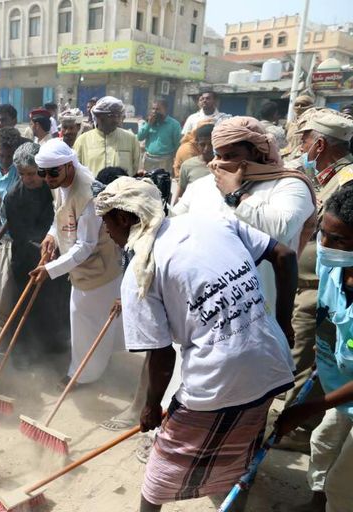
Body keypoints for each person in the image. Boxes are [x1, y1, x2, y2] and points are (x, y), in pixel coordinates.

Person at [94, 177, 297, 512]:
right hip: (272, 364)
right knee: (241, 453)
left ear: (124, 218)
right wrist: (283, 322)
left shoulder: (141, 271)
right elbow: (285, 255)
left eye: (105, 220)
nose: (105, 231)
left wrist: (150, 406)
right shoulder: (211, 219)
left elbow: (161, 356)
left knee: (162, 469)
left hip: (215, 379)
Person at [173, 116, 315, 311]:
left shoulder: (290, 185)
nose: (221, 164)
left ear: (256, 152)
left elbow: (281, 230)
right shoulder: (202, 185)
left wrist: (236, 194)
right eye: (219, 155)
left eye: (231, 156)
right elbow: (174, 225)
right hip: (203, 304)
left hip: (260, 306)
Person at [278, 111, 353, 454]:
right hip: (310, 284)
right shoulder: (325, 177)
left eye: (305, 140)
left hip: (324, 287)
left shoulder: (347, 182)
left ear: (320, 144)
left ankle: (294, 426)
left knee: (303, 358)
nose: (301, 147)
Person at [275, 184, 353, 512]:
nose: (324, 245)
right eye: (323, 233)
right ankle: (316, 503)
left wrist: (307, 407)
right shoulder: (332, 266)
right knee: (322, 444)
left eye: (338, 240)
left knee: (343, 484)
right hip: (342, 390)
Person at [29, 139, 123, 385]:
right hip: (80, 269)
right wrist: (52, 235)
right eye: (43, 173)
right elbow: (60, 214)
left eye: (53, 172)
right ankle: (87, 368)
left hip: (99, 270)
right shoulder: (59, 182)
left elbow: (86, 245)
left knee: (90, 325)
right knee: (84, 323)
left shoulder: (89, 193)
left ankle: (83, 377)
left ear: (69, 166)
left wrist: (50, 269)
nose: (47, 178)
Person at [0, 142, 70, 364]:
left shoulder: (56, 191)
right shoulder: (14, 196)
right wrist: (37, 248)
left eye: (33, 174)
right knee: (24, 305)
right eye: (23, 174)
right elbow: (19, 233)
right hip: (25, 260)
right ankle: (22, 352)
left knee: (53, 305)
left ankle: (54, 350)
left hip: (56, 259)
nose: (29, 179)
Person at [0, 127, 24, 328]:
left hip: (12, 231)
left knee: (6, 280)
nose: (5, 160)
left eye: (10, 156)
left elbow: (17, 210)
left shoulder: (20, 168)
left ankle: (7, 324)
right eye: (2, 155)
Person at [73, 96, 141, 177]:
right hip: (92, 188)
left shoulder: (131, 139)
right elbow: (77, 171)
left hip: (122, 189)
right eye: (111, 116)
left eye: (118, 116)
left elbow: (135, 168)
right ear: (99, 117)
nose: (116, 120)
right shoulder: (82, 141)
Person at [137, 99, 181, 173]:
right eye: (153, 109)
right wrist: (149, 124)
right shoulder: (149, 122)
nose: (154, 112)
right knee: (147, 182)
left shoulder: (174, 124)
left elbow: (177, 144)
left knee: (162, 181)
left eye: (157, 109)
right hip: (149, 159)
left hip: (165, 160)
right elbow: (140, 137)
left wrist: (176, 161)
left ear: (165, 109)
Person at [176, 122, 215, 199]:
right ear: (197, 144)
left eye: (211, 144)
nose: (207, 149)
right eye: (202, 144)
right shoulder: (188, 165)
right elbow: (180, 195)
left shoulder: (226, 166)